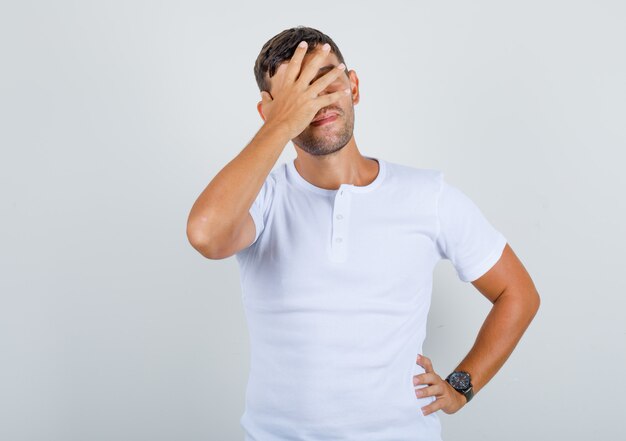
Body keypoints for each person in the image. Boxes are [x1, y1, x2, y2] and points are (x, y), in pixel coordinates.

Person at [187, 26, 540, 441]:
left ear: (353, 86)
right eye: (295, 94)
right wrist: (282, 125)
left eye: (324, 80)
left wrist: (461, 387)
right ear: (269, 112)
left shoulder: (428, 195)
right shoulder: (260, 200)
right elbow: (207, 235)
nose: (315, 100)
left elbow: (518, 294)